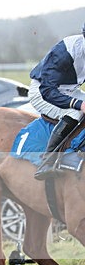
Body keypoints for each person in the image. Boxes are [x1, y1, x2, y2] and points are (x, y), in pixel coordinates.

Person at [31, 23, 85, 180]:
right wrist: (79, 104)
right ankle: (47, 161)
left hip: (70, 90)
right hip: (42, 91)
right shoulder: (64, 52)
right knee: (75, 112)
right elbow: (47, 91)